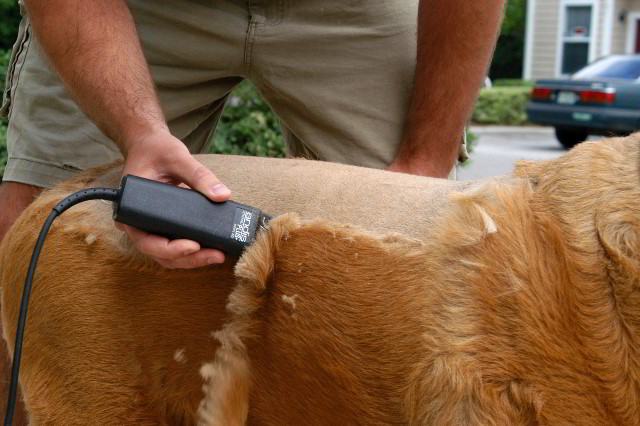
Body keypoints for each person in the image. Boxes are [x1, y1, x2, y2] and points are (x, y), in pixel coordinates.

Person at [0, 0, 504, 422]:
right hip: (141, 9)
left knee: (409, 265)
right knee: (32, 239)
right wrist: (138, 132)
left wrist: (425, 159)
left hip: (354, 9)